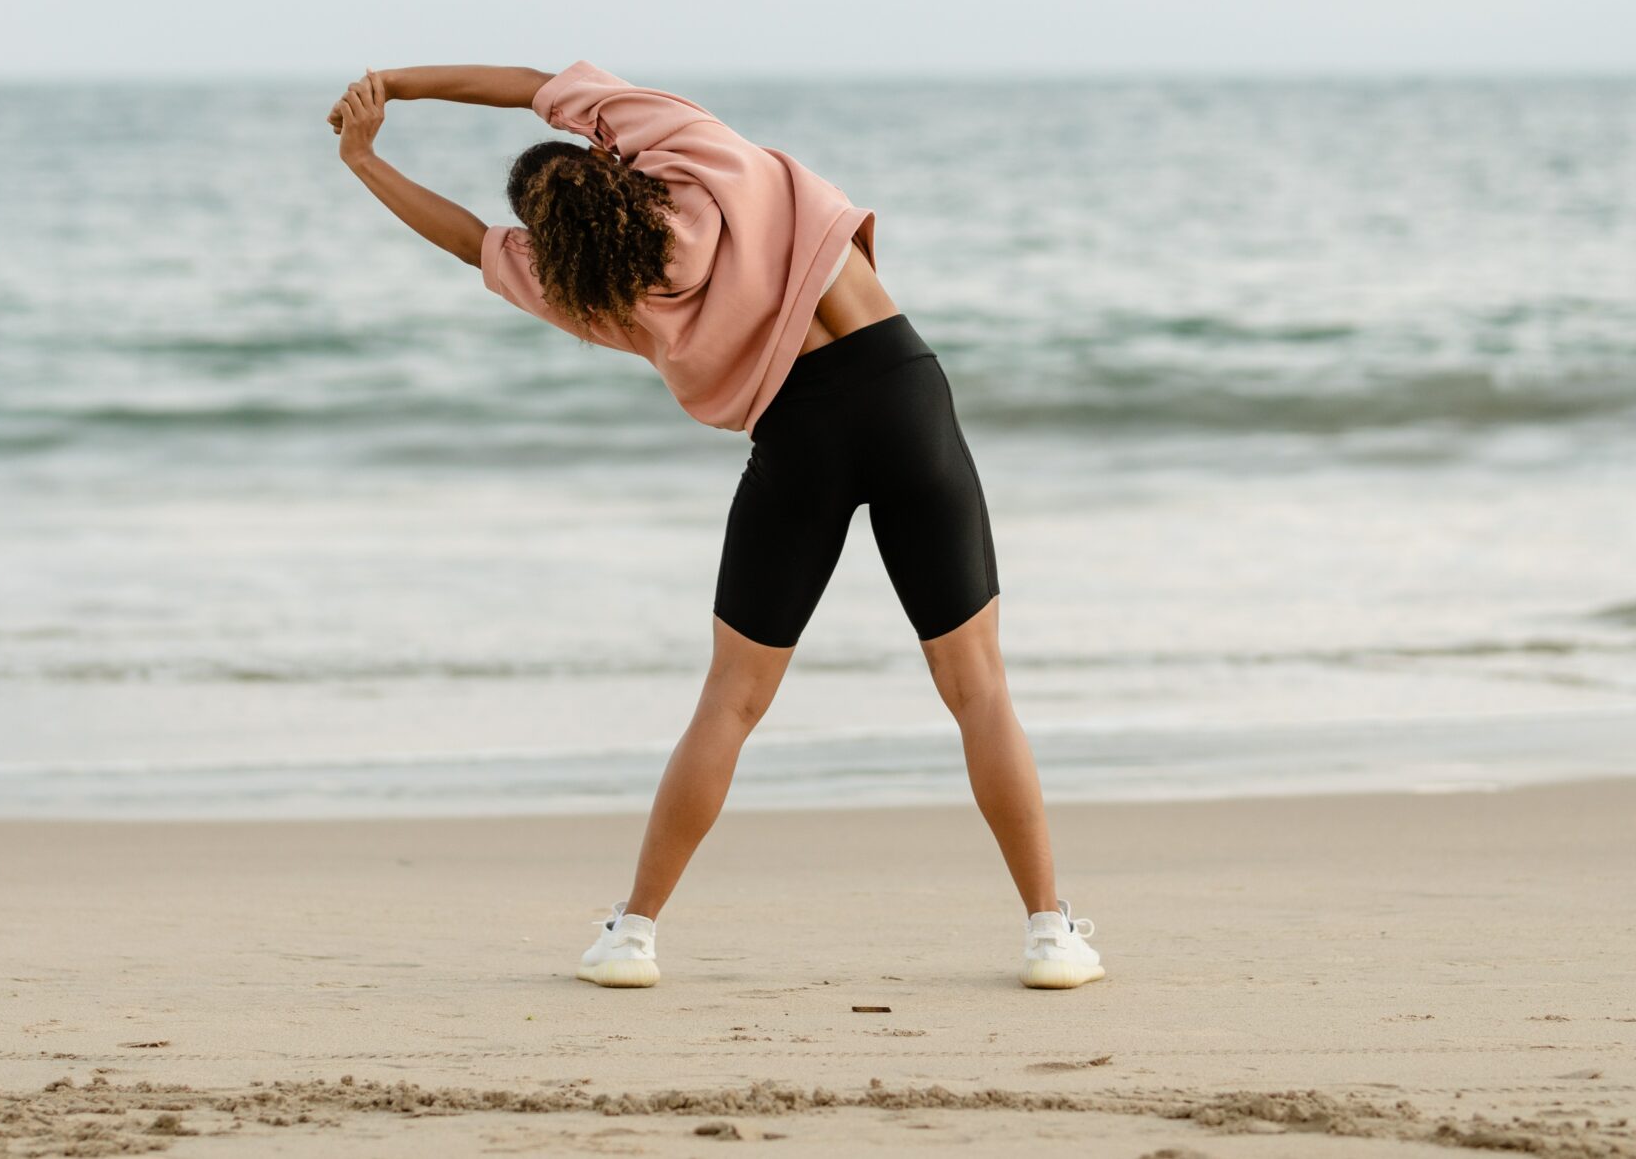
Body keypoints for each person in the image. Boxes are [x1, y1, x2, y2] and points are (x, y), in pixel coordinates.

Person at [328, 61, 1102, 992]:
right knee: (977, 687)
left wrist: (362, 159)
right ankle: (1049, 932)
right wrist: (397, 83)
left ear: (548, 238)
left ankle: (633, 933)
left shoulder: (590, 292)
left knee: (730, 700)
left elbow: (466, 241)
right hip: (902, 394)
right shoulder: (694, 154)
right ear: (608, 151)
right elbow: (538, 81)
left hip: (795, 436)